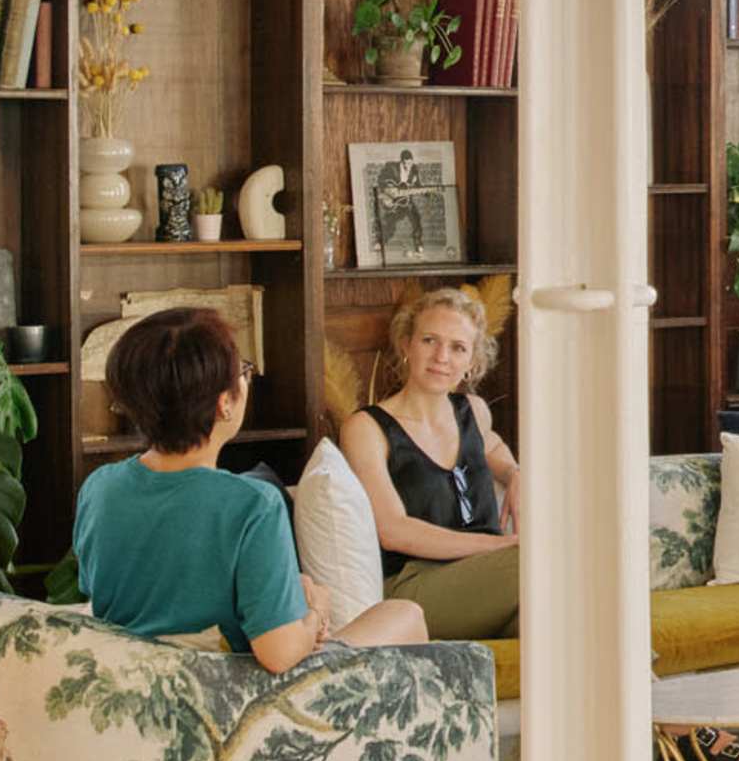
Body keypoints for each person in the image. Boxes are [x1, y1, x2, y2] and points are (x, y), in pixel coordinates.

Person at [77, 307, 424, 665]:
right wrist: (317, 611)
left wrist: (286, 594)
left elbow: (105, 594)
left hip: (131, 688)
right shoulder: (252, 504)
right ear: (224, 403)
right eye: (243, 370)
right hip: (230, 697)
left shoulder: (100, 487)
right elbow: (279, 654)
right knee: (404, 615)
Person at [332, 284, 523, 642]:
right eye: (429, 341)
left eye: (458, 347)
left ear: (472, 362)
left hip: (489, 582)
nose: (442, 357)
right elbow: (393, 529)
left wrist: (515, 473)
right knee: (548, 558)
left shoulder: (474, 413)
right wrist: (499, 546)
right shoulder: (367, 428)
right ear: (406, 344)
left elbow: (493, 447)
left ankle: (636, 683)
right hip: (418, 586)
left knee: (555, 623)